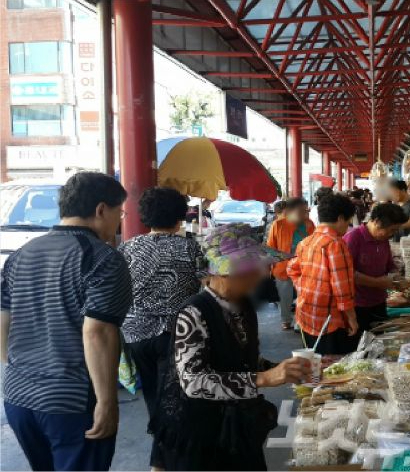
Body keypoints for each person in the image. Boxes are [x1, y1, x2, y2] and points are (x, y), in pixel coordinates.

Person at [0, 172, 132, 471]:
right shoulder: (102, 258)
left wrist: (25, 371)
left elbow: (3, 319)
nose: (119, 221)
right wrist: (106, 402)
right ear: (101, 209)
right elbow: (97, 332)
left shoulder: (20, 254)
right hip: (71, 402)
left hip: (18, 398)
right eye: (119, 213)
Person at [150, 224, 309, 470]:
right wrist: (264, 378)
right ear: (224, 272)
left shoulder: (243, 304)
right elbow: (194, 381)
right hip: (199, 431)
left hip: (236, 425)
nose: (261, 275)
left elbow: (242, 359)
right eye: (253, 269)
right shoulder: (194, 312)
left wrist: (283, 369)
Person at [117, 187, 204, 470]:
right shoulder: (190, 247)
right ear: (180, 216)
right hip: (177, 335)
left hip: (137, 334)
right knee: (179, 402)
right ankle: (165, 461)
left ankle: (161, 460)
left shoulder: (128, 247)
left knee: (156, 397)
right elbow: (209, 285)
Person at [287, 193, 358, 355]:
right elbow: (342, 289)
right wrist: (352, 318)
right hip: (329, 321)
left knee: (315, 364)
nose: (347, 226)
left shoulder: (306, 242)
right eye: (348, 222)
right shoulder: (336, 244)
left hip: (305, 315)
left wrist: (304, 288)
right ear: (340, 218)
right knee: (332, 368)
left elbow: (291, 269)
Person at [343, 203, 410, 339]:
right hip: (358, 305)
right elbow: (347, 273)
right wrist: (378, 282)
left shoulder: (383, 239)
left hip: (378, 302)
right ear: (377, 222)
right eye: (392, 230)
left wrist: (396, 278)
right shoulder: (353, 238)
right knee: (359, 346)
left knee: (378, 343)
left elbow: (389, 265)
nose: (392, 235)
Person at [266, 197, 315, 330]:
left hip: (304, 266)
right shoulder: (278, 224)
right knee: (285, 296)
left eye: (306, 211)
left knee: (303, 296)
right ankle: (286, 320)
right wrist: (272, 264)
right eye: (301, 211)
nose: (304, 214)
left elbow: (314, 244)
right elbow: (270, 247)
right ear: (289, 211)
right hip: (283, 267)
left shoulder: (309, 224)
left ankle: (300, 321)